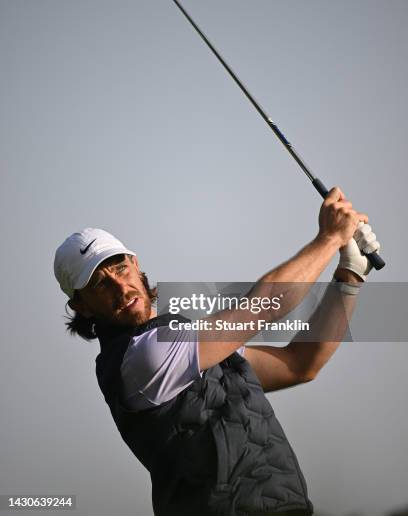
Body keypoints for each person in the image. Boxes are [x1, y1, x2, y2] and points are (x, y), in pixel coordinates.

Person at [54, 187, 380, 516]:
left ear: (135, 264)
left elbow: (300, 364)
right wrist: (328, 238)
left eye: (120, 269)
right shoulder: (141, 358)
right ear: (82, 306)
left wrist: (350, 274)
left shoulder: (188, 346)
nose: (121, 288)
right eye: (100, 283)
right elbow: (262, 308)